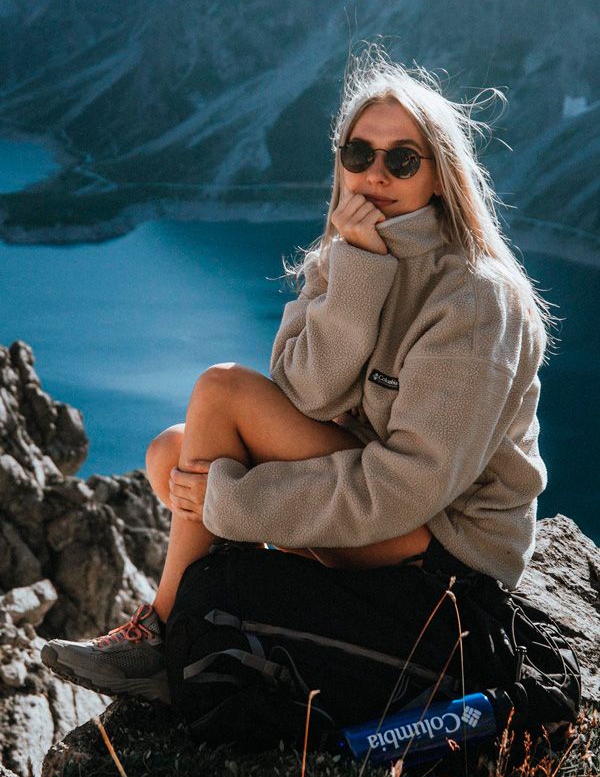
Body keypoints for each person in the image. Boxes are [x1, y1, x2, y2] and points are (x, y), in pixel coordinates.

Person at [41, 46, 557, 709]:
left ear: (439, 176)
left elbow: (411, 487)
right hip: (385, 522)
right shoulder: (346, 256)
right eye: (358, 154)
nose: (375, 174)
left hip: (447, 559)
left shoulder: (477, 299)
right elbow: (305, 396)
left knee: (222, 397)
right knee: (174, 454)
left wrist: (236, 502)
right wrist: (358, 270)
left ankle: (162, 637)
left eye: (401, 159)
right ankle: (190, 624)